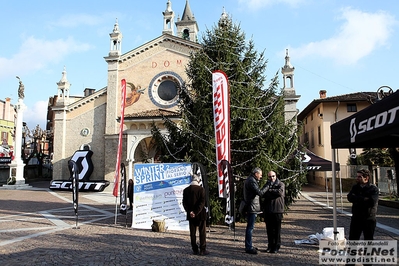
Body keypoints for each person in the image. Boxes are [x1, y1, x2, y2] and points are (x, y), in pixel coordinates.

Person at [347, 169, 379, 241]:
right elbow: (350, 197)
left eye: (359, 177)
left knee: (368, 239)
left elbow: (372, 202)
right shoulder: (355, 187)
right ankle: (353, 252)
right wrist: (363, 199)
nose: (357, 178)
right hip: (356, 217)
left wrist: (357, 198)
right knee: (353, 238)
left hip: (368, 218)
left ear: (366, 178)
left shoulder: (373, 189)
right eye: (357, 176)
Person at [243, 167, 268, 254]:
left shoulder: (250, 180)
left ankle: (249, 245)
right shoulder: (251, 181)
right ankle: (248, 247)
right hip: (252, 207)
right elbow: (260, 193)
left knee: (250, 227)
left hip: (252, 206)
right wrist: (267, 185)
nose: (261, 177)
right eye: (260, 175)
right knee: (250, 228)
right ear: (256, 174)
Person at [183, 174, 209, 256]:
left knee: (192, 233)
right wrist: (196, 211)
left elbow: (184, 203)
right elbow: (202, 203)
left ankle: (194, 249)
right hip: (200, 214)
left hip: (191, 215)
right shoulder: (201, 190)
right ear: (198, 180)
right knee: (202, 232)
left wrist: (190, 211)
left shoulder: (186, 190)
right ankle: (202, 249)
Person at [262, 170, 285, 253]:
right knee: (269, 230)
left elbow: (279, 193)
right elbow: (263, 193)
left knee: (277, 230)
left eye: (273, 176)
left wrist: (270, 190)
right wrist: (270, 190)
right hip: (268, 210)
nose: (271, 178)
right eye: (270, 176)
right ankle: (270, 245)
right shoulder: (267, 184)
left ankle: (276, 246)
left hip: (277, 210)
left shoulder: (280, 184)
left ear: (276, 176)